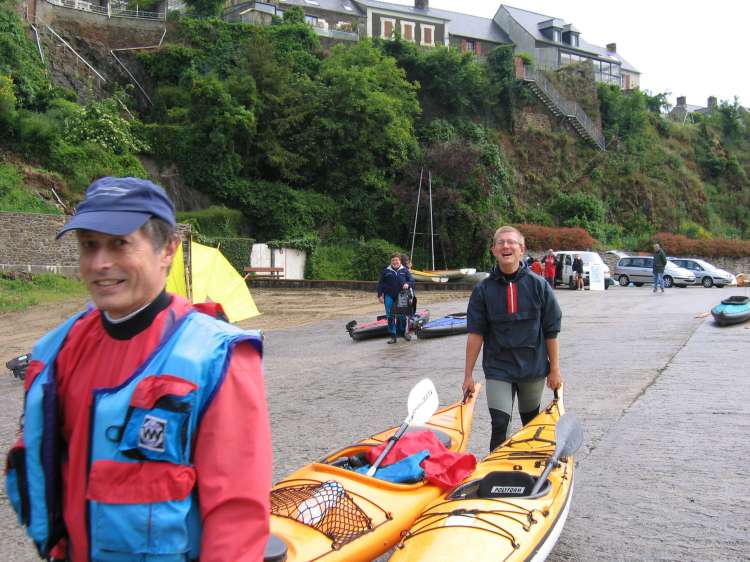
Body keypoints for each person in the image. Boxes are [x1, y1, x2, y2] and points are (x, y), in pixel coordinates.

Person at [5, 177, 272, 562]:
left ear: (168, 249)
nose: (100, 264)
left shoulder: (215, 357)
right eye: (89, 246)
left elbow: (237, 517)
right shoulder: (60, 350)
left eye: (119, 244)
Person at [463, 226, 563, 452]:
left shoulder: (539, 285)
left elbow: (551, 330)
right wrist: (468, 375)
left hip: (533, 368)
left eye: (511, 242)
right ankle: (495, 474)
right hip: (499, 368)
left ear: (522, 249)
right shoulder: (483, 290)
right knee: (499, 425)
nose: (506, 246)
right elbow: (476, 334)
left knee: (530, 424)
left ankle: (530, 475)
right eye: (500, 242)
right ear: (494, 250)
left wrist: (554, 369)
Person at [377, 253, 415, 343]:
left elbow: (412, 281)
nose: (395, 262)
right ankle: (393, 336)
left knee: (402, 316)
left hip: (402, 295)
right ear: (391, 261)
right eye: (393, 260)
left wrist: (407, 284)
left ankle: (403, 332)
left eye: (396, 260)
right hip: (389, 295)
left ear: (400, 261)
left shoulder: (405, 270)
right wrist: (379, 295)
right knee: (390, 315)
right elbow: (380, 284)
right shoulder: (386, 271)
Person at [401, 254, 418, 329]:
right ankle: (410, 318)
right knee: (411, 303)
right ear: (406, 262)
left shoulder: (404, 268)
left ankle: (408, 317)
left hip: (406, 290)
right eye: (408, 261)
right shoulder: (405, 269)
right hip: (407, 290)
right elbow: (411, 280)